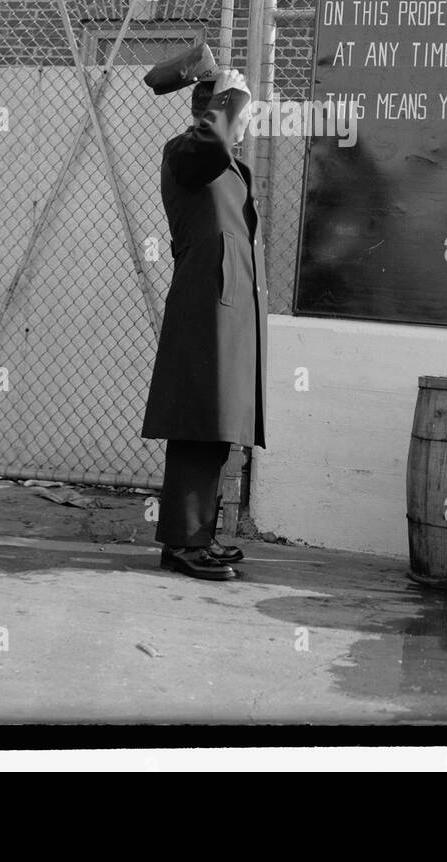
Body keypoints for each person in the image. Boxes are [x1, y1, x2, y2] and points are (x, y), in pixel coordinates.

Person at [141, 67, 267, 580]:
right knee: (197, 423)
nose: (246, 122)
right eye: (241, 113)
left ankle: (199, 535)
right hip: (206, 305)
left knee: (217, 425)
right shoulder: (185, 152)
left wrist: (232, 96)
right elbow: (211, 140)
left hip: (230, 306)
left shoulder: (226, 165)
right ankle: (181, 543)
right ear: (216, 113)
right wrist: (230, 92)